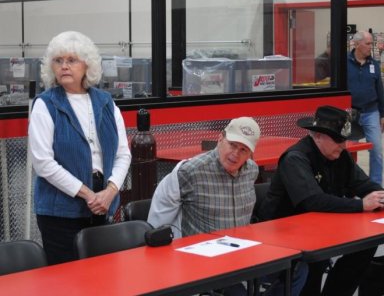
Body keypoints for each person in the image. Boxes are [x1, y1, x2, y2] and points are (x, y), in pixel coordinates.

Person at [148, 117, 307, 296]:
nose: (235, 154)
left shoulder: (251, 171)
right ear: (220, 139)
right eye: (232, 145)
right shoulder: (189, 171)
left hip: (243, 254)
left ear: (251, 153)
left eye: (243, 149)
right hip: (205, 263)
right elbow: (159, 219)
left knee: (298, 267)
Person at [257, 105, 384, 296]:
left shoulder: (340, 156)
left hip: (322, 227)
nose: (343, 146)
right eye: (338, 140)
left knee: (365, 245)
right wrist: (361, 205)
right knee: (316, 259)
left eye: (345, 140)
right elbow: (313, 201)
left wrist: (380, 197)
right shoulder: (296, 158)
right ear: (318, 136)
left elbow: (364, 184)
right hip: (284, 233)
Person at [28, 31, 131, 265]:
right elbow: (43, 164)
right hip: (60, 211)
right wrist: (88, 194)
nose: (64, 66)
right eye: (58, 60)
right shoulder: (45, 105)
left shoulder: (106, 102)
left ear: (88, 65)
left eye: (71, 60)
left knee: (101, 274)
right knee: (67, 281)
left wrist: (110, 192)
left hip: (103, 203)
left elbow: (123, 154)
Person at [347, 30, 384, 185]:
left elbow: (380, 90)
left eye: (372, 43)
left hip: (371, 112)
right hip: (350, 114)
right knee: (347, 152)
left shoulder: (373, 64)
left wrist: (383, 115)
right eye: (368, 43)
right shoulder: (344, 63)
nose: (371, 47)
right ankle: (350, 184)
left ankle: (375, 185)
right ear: (356, 44)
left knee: (376, 151)